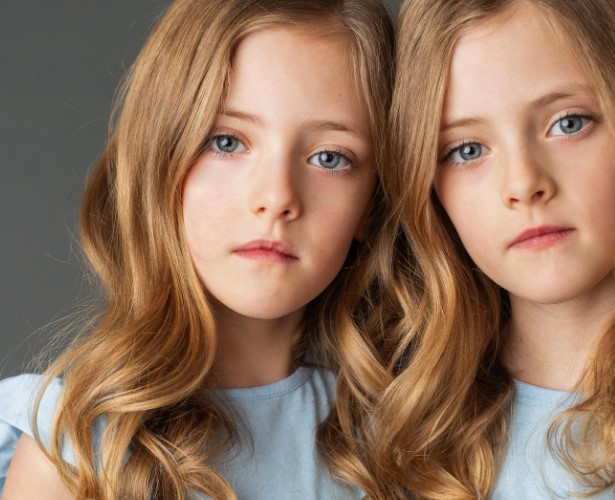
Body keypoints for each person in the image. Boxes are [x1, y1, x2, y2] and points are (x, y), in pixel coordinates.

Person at [0, 0, 393, 498]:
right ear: (160, 160)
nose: (276, 198)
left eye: (329, 157)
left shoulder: (404, 436)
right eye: (227, 142)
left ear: (374, 202)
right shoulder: (79, 443)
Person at [374, 0, 615, 497]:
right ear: (428, 187)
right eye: (467, 150)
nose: (524, 183)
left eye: (568, 123)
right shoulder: (393, 440)